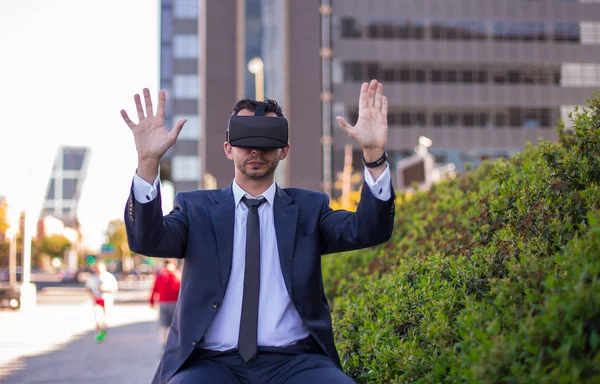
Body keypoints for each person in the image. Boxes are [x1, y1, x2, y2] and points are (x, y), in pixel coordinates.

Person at [121, 79, 395, 383]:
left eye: (268, 139)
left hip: (296, 361)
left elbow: (370, 230)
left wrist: (374, 156)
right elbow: (146, 238)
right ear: (228, 148)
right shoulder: (195, 209)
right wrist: (147, 163)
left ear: (284, 150)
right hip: (210, 362)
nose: (256, 148)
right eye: (245, 138)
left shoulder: (309, 209)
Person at [149, 259, 182, 350]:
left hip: (163, 303)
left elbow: (154, 288)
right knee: (174, 325)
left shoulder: (160, 275)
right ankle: (173, 343)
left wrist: (151, 301)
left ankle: (164, 343)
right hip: (175, 303)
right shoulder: (177, 274)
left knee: (163, 325)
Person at [85, 261, 118, 343]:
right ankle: (98, 333)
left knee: (105, 319)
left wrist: (105, 289)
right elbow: (87, 289)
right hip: (97, 300)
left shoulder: (109, 277)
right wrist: (93, 296)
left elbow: (115, 288)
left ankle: (103, 330)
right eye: (98, 269)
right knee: (97, 318)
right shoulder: (92, 278)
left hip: (107, 299)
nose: (99, 271)